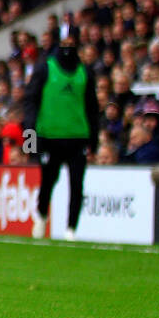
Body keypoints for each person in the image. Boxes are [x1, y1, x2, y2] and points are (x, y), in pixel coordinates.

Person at [23, 30, 98, 241]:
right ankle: (41, 216)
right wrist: (30, 137)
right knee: (48, 181)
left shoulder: (85, 73)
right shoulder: (45, 68)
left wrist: (94, 140)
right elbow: (31, 102)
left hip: (77, 137)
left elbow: (92, 108)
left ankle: (71, 229)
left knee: (77, 184)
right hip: (50, 137)